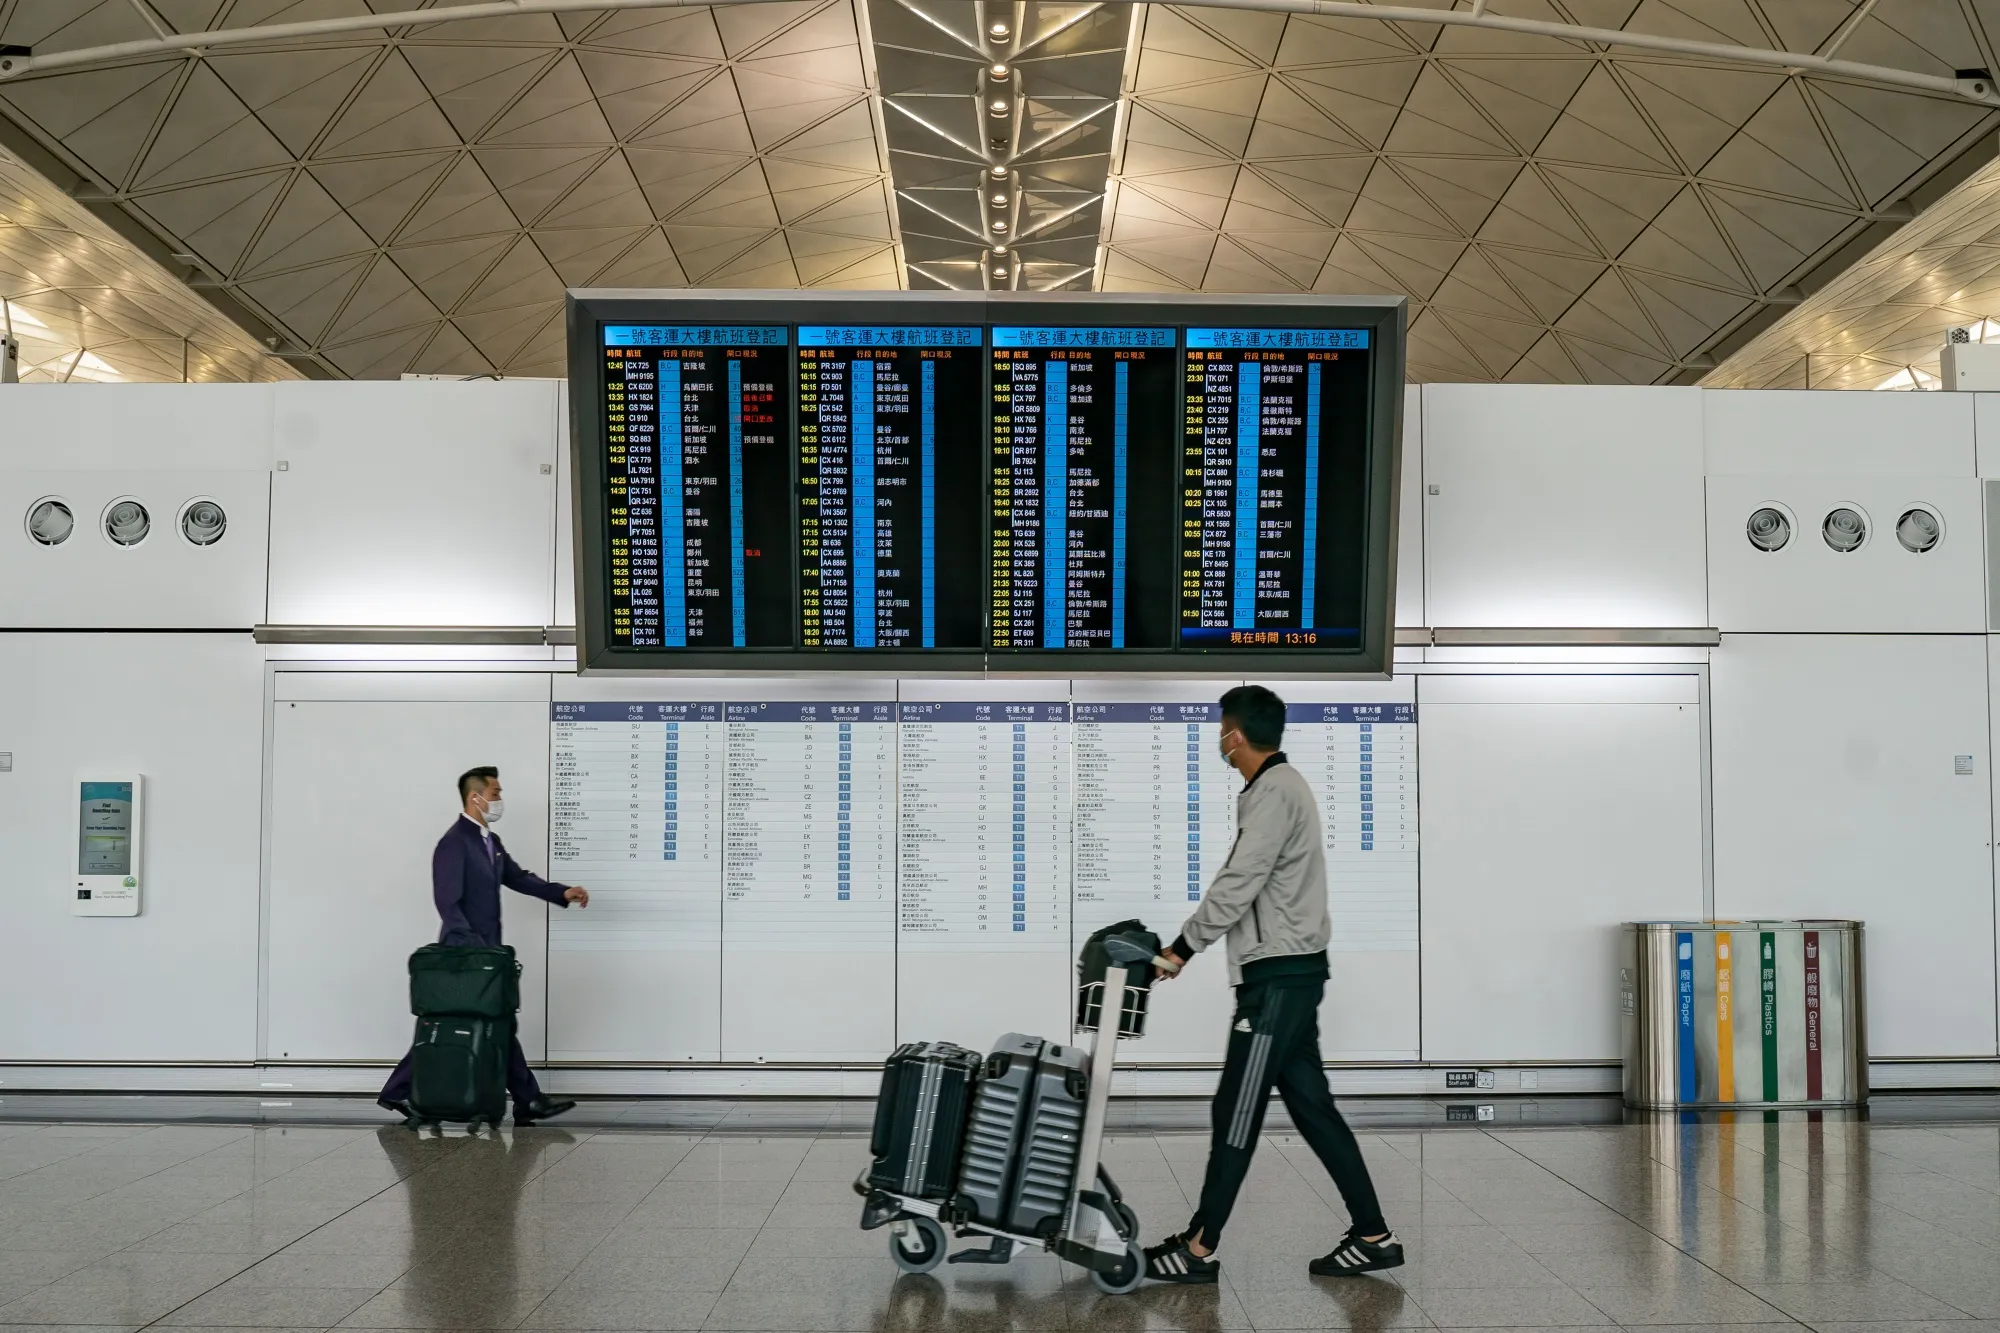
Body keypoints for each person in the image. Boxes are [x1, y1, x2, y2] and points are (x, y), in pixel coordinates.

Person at [1143, 685, 1403, 1284]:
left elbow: (1241, 880)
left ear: (1236, 735)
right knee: (1314, 1111)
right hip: (1289, 974)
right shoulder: (1276, 789)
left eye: (1221, 729)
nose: (1220, 741)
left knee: (1236, 1109)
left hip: (1278, 983)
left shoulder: (1275, 792)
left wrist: (1181, 948)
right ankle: (1374, 1236)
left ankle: (1199, 1247)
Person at [379, 766, 590, 1126]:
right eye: (495, 793)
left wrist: (561, 893)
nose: (499, 800)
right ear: (475, 797)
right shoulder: (454, 842)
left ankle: (528, 1100)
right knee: (461, 1023)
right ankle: (526, 1100)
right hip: (466, 952)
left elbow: (517, 877)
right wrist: (472, 950)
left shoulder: (489, 842)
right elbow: (448, 902)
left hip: (486, 954)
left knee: (495, 1023)